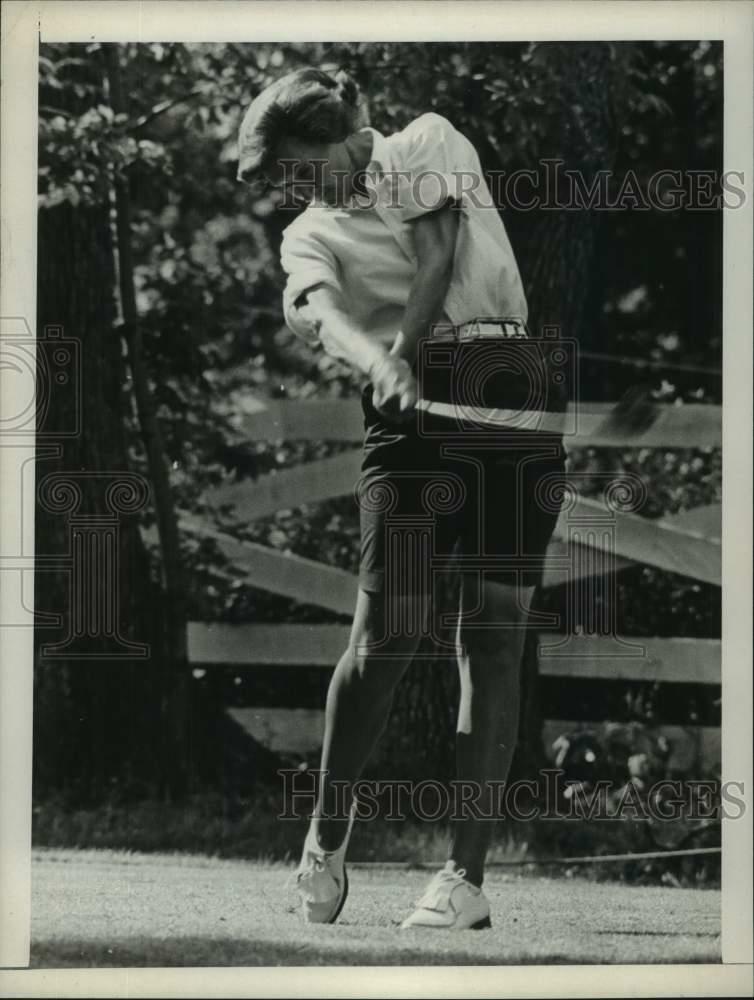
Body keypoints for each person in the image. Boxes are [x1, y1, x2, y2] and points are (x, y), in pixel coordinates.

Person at [237, 67, 565, 931]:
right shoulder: (307, 232)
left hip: (504, 378)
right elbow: (318, 306)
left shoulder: (425, 140)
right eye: (286, 179)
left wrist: (405, 349)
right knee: (389, 636)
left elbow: (439, 250)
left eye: (303, 167)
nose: (297, 188)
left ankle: (464, 880)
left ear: (345, 132)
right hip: (405, 418)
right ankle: (326, 837)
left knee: (493, 636)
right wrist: (374, 358)